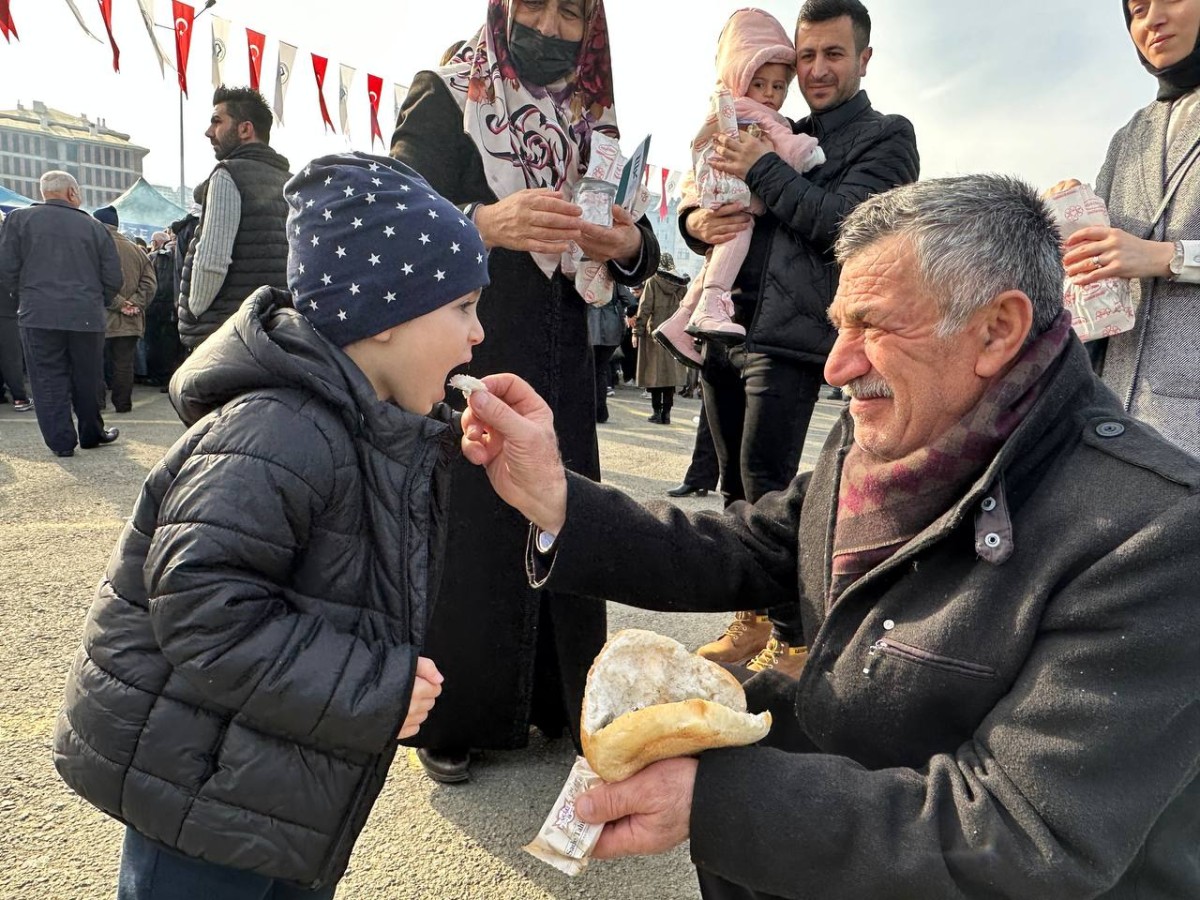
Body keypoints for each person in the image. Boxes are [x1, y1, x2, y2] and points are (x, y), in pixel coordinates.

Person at [456, 174, 1200, 900]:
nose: (838, 365)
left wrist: (715, 803)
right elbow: (761, 546)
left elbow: (1023, 833)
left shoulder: (1152, 532)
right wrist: (557, 498)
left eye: (873, 326)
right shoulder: (889, 427)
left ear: (997, 329)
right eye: (839, 323)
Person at [53, 153, 489, 898]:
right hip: (198, 788)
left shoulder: (365, 426)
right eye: (463, 309)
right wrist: (374, 687)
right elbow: (202, 610)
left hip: (268, 772)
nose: (478, 336)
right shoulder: (277, 430)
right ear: (383, 318)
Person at [390, 0, 660, 783]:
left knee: (567, 514)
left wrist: (630, 243)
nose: (549, 25)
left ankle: (567, 700)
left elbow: (636, 244)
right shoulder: (447, 93)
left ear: (594, 28)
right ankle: (454, 716)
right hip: (475, 345)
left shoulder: (593, 123)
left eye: (571, 12)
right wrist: (485, 221)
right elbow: (397, 214)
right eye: (532, 4)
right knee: (472, 523)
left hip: (566, 358)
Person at [689, 0, 919, 675]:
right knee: (733, 486)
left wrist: (763, 165)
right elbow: (707, 188)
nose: (816, 69)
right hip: (726, 327)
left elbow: (846, 223)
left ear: (864, 59)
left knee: (772, 489)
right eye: (807, 55)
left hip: (792, 339)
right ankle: (753, 617)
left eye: (833, 54)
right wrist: (691, 222)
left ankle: (794, 639)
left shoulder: (886, 136)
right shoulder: (778, 126)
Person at [1056, 0, 1200, 458]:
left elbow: (1146, 253)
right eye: (1136, 10)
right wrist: (1076, 220)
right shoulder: (1130, 134)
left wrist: (1166, 257)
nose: (1151, 20)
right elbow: (1104, 262)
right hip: (1115, 411)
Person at [655, 7, 824, 359]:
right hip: (738, 203)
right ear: (739, 77)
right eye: (759, 83)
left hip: (721, 198)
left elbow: (692, 170)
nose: (768, 94)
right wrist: (804, 151)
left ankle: (681, 319)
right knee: (736, 235)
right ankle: (709, 307)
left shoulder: (722, 111)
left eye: (778, 86)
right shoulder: (755, 114)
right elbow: (785, 142)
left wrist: (694, 211)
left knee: (719, 255)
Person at [0, 171, 121, 457]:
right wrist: (97, 300)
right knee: (89, 375)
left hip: (38, 313)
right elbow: (113, 277)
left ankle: (61, 442)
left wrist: (24, 297)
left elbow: (6, 269)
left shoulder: (18, 221)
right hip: (86, 313)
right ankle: (92, 433)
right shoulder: (95, 227)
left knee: (46, 377)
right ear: (71, 193)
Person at [176, 85, 292, 351]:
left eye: (217, 121)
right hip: (275, 325)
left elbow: (212, 258)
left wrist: (195, 312)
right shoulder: (289, 181)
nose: (209, 131)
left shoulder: (227, 174)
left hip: (226, 331)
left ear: (244, 129)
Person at [93, 206, 156, 414]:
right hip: (131, 319)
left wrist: (119, 304)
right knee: (124, 364)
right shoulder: (137, 250)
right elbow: (150, 284)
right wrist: (134, 304)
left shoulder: (92, 248)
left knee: (95, 364)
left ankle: (97, 404)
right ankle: (123, 405)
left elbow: (93, 283)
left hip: (97, 319)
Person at [634, 254, 688, 425]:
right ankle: (667, 414)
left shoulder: (652, 281)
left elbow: (645, 308)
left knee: (655, 375)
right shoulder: (681, 285)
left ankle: (657, 413)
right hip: (674, 334)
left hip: (655, 334)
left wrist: (637, 331)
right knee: (670, 376)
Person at [0, 209, 34, 412]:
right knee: (10, 355)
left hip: (6, 306)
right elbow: (10, 272)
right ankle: (20, 398)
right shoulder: (6, 244)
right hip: (6, 306)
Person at [144, 230, 183, 389]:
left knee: (157, 344)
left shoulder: (155, 257)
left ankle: (159, 376)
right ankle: (172, 378)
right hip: (176, 307)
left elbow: (149, 283)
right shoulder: (184, 255)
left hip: (156, 307)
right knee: (174, 345)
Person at [588, 289, 624, 424]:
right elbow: (630, 300)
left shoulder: (586, 274)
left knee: (589, 371)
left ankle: (591, 410)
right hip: (611, 330)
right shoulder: (614, 278)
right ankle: (601, 412)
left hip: (590, 330)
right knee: (601, 370)